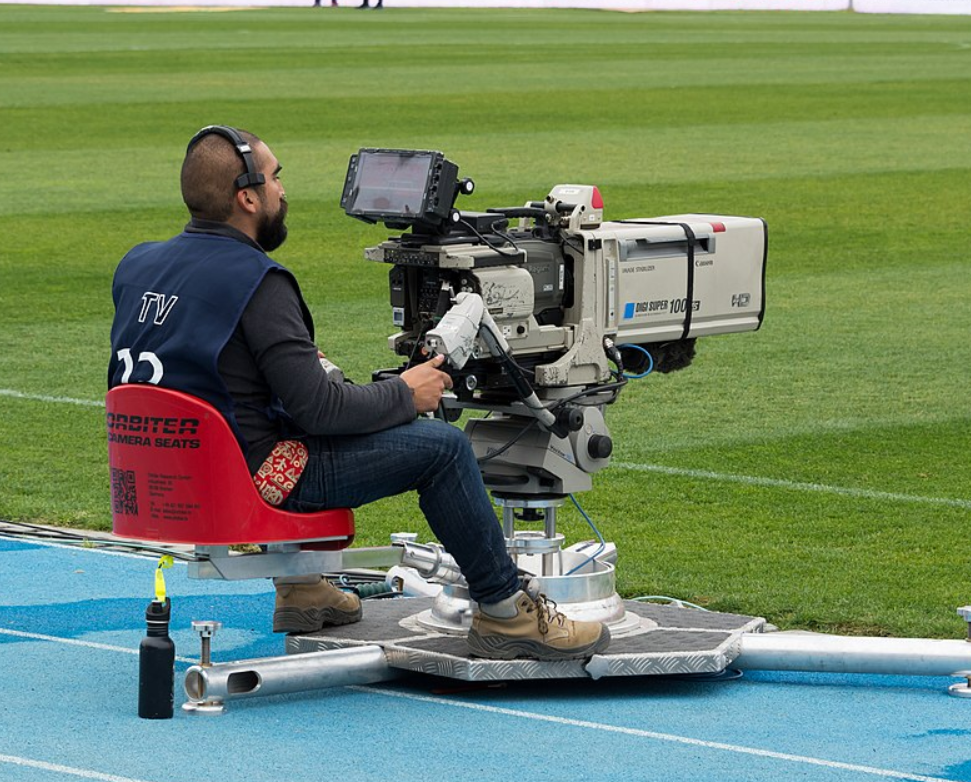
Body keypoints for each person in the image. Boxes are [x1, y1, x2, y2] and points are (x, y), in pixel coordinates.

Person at [109, 126, 609, 661]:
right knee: (442, 448)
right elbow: (320, 412)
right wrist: (405, 393)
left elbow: (227, 380)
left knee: (291, 408)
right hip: (251, 480)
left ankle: (302, 587)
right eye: (275, 179)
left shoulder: (137, 265)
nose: (282, 191)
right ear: (247, 196)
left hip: (169, 475)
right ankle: (508, 613)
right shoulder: (257, 280)